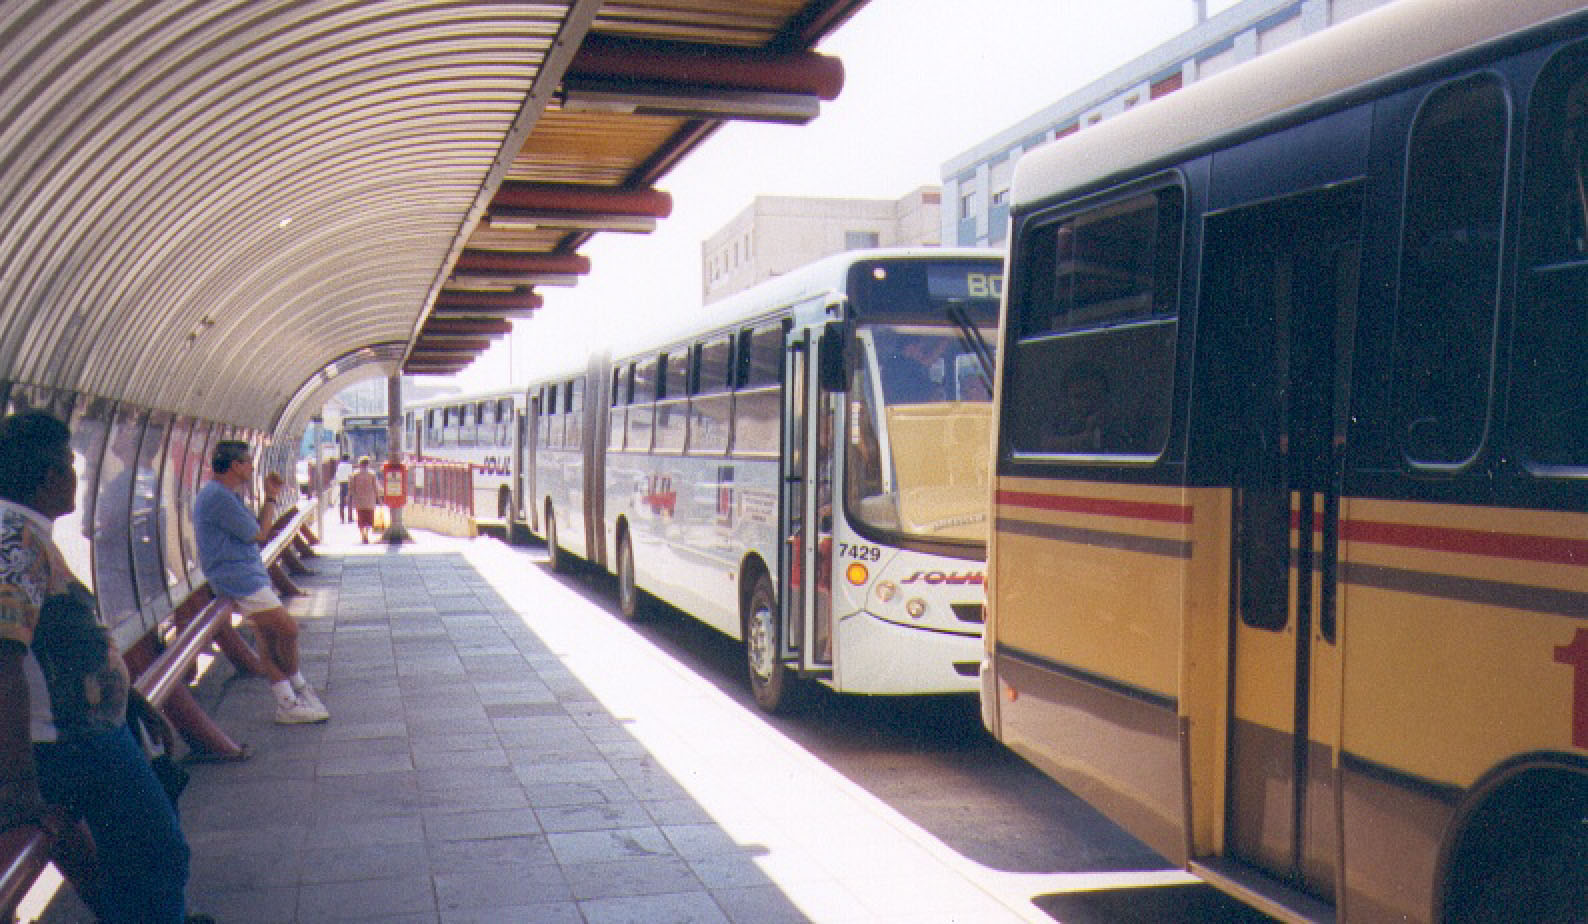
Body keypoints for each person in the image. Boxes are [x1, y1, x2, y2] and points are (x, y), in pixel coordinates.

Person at [0, 411, 193, 922]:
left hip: (87, 731)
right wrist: (19, 787)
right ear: (49, 478)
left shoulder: (25, 533)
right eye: (70, 465)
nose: (76, 475)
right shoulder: (13, 542)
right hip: (69, 743)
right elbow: (5, 659)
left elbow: (62, 645)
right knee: (157, 854)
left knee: (136, 860)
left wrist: (130, 700)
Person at [194, 441, 328, 724]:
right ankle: (298, 689)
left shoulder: (223, 495)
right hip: (238, 578)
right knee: (288, 630)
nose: (252, 467)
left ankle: (287, 701)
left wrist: (271, 496)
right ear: (234, 466)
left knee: (267, 639)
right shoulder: (219, 497)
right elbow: (260, 533)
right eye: (247, 462)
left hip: (243, 573)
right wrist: (270, 497)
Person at [882, 335, 949, 404]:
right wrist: (946, 339)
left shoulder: (912, 369)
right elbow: (928, 360)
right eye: (921, 349)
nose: (922, 354)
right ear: (910, 347)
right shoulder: (897, 364)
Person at [348, 455, 380, 544]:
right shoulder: (372, 474)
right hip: (370, 500)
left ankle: (363, 535)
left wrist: (350, 497)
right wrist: (379, 499)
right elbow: (376, 487)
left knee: (361, 518)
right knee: (369, 519)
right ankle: (366, 534)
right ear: (368, 464)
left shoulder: (354, 474)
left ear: (360, 464)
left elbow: (351, 487)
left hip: (359, 500)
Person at [334, 454, 351, 523]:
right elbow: (351, 475)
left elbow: (337, 475)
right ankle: (350, 518)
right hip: (348, 483)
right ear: (348, 459)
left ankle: (342, 518)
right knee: (349, 501)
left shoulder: (339, 466)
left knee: (341, 502)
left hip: (341, 484)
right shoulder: (349, 466)